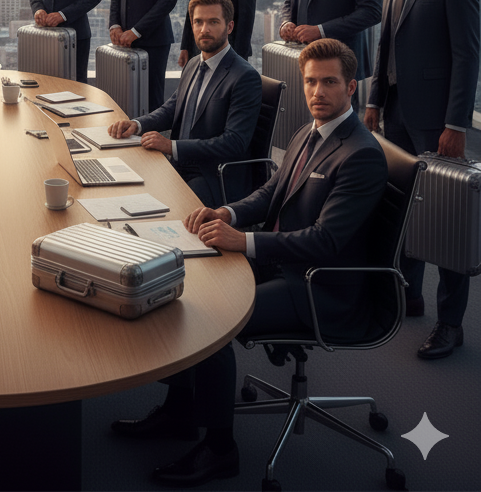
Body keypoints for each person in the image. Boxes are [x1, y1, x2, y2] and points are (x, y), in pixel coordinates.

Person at [111, 39, 387, 488]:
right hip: (283, 265)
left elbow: (326, 241)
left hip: (320, 288)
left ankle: (221, 449)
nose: (318, 91)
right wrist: (229, 213)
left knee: (211, 322)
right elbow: (270, 193)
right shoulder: (308, 132)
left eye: (330, 82)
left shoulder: (361, 155)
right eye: (311, 81)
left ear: (352, 87)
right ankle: (181, 413)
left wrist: (245, 242)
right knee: (192, 283)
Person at [366, 0, 481, 360]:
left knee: (447, 219)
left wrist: (456, 123)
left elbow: (467, 55)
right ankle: (408, 296)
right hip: (394, 115)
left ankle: (450, 324)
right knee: (403, 212)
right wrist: (373, 100)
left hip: (437, 122)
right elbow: (385, 45)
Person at [108, 0, 261, 207]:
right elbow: (172, 109)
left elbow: (233, 143)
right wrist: (137, 124)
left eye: (213, 22)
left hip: (213, 176)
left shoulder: (244, 77)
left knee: (161, 206)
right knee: (124, 187)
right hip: (181, 165)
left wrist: (172, 146)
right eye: (198, 22)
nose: (204, 29)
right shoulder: (193, 64)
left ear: (229, 27)